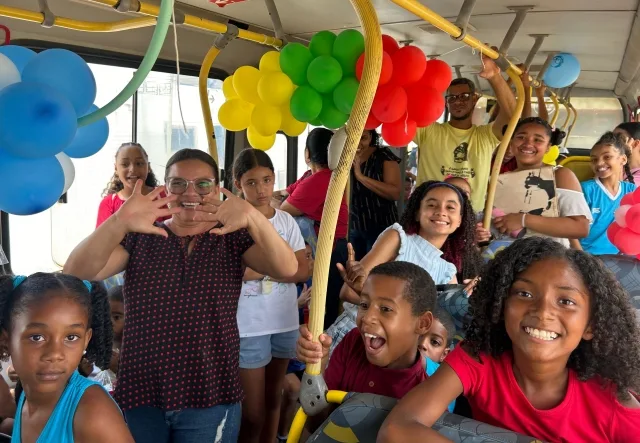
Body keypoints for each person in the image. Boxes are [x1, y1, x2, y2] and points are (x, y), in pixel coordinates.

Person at [62, 149, 298, 443]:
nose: (191, 192)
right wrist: (120, 220)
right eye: (178, 183)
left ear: (217, 188)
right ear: (164, 189)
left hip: (212, 391)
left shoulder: (232, 237)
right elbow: (76, 272)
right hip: (142, 391)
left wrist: (251, 216)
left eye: (202, 184)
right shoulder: (141, 236)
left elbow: (287, 267)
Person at [379, 237, 640, 442]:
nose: (542, 312)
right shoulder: (478, 360)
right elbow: (396, 429)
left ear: (591, 325)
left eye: (566, 301)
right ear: (501, 306)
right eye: (524, 294)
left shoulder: (614, 404)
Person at [326, 181, 482, 356]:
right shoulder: (398, 238)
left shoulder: (448, 271)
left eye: (450, 208)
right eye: (432, 205)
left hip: (392, 353)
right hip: (354, 334)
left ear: (460, 220)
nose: (441, 211)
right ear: (417, 213)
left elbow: (442, 324)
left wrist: (474, 294)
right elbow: (349, 291)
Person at [296, 261, 437, 433]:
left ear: (422, 323)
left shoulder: (424, 397)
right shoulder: (353, 342)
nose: (367, 317)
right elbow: (315, 425)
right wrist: (319, 365)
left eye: (385, 309)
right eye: (364, 305)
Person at [232, 149, 309, 443]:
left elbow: (301, 271)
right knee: (252, 411)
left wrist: (260, 271)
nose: (261, 189)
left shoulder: (286, 222)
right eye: (251, 182)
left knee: (274, 398)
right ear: (238, 184)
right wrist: (280, 267)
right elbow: (234, 274)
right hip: (248, 325)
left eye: (266, 180)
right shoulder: (232, 223)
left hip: (284, 321)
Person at [1, 273, 133, 443]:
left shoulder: (92, 411)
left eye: (71, 337)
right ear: (6, 340)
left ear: (86, 340)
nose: (55, 354)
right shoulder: (28, 395)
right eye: (37, 337)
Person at [414, 52, 516, 212]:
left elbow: (512, 114)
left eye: (464, 96)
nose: (458, 102)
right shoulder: (429, 131)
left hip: (471, 216)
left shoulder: (485, 136)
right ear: (446, 103)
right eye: (452, 98)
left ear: (475, 98)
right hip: (430, 213)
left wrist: (495, 77)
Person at [280, 128, 349, 329]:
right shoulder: (310, 176)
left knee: (320, 307)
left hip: (330, 250)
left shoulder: (322, 179)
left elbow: (284, 209)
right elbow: (283, 192)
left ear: (307, 154)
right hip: (321, 248)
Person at [491, 117, 591, 247]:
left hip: (549, 258)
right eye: (521, 137)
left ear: (548, 147)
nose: (527, 143)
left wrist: (523, 220)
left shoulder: (560, 175)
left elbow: (580, 227)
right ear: (511, 142)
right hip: (507, 256)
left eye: (537, 140)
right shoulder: (500, 180)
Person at [579, 132, 636, 254]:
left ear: (623, 159)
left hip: (621, 257)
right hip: (588, 257)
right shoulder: (585, 190)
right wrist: (579, 257)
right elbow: (571, 231)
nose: (599, 163)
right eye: (594, 159)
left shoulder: (631, 190)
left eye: (607, 157)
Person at [350, 129, 402, 260]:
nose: (358, 143)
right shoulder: (345, 155)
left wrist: (361, 177)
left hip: (381, 226)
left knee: (376, 272)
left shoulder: (383, 155)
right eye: (354, 137)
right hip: (354, 225)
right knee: (355, 271)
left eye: (364, 138)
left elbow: (394, 193)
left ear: (371, 137)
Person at [97, 142, 163, 228]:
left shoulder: (163, 196)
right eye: (125, 164)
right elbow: (101, 240)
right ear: (116, 168)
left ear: (148, 167)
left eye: (139, 163)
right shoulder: (108, 204)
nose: (132, 169)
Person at [418, 309, 456, 413]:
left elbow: (418, 359)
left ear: (444, 354)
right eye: (419, 334)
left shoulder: (443, 374)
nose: (423, 344)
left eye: (434, 342)